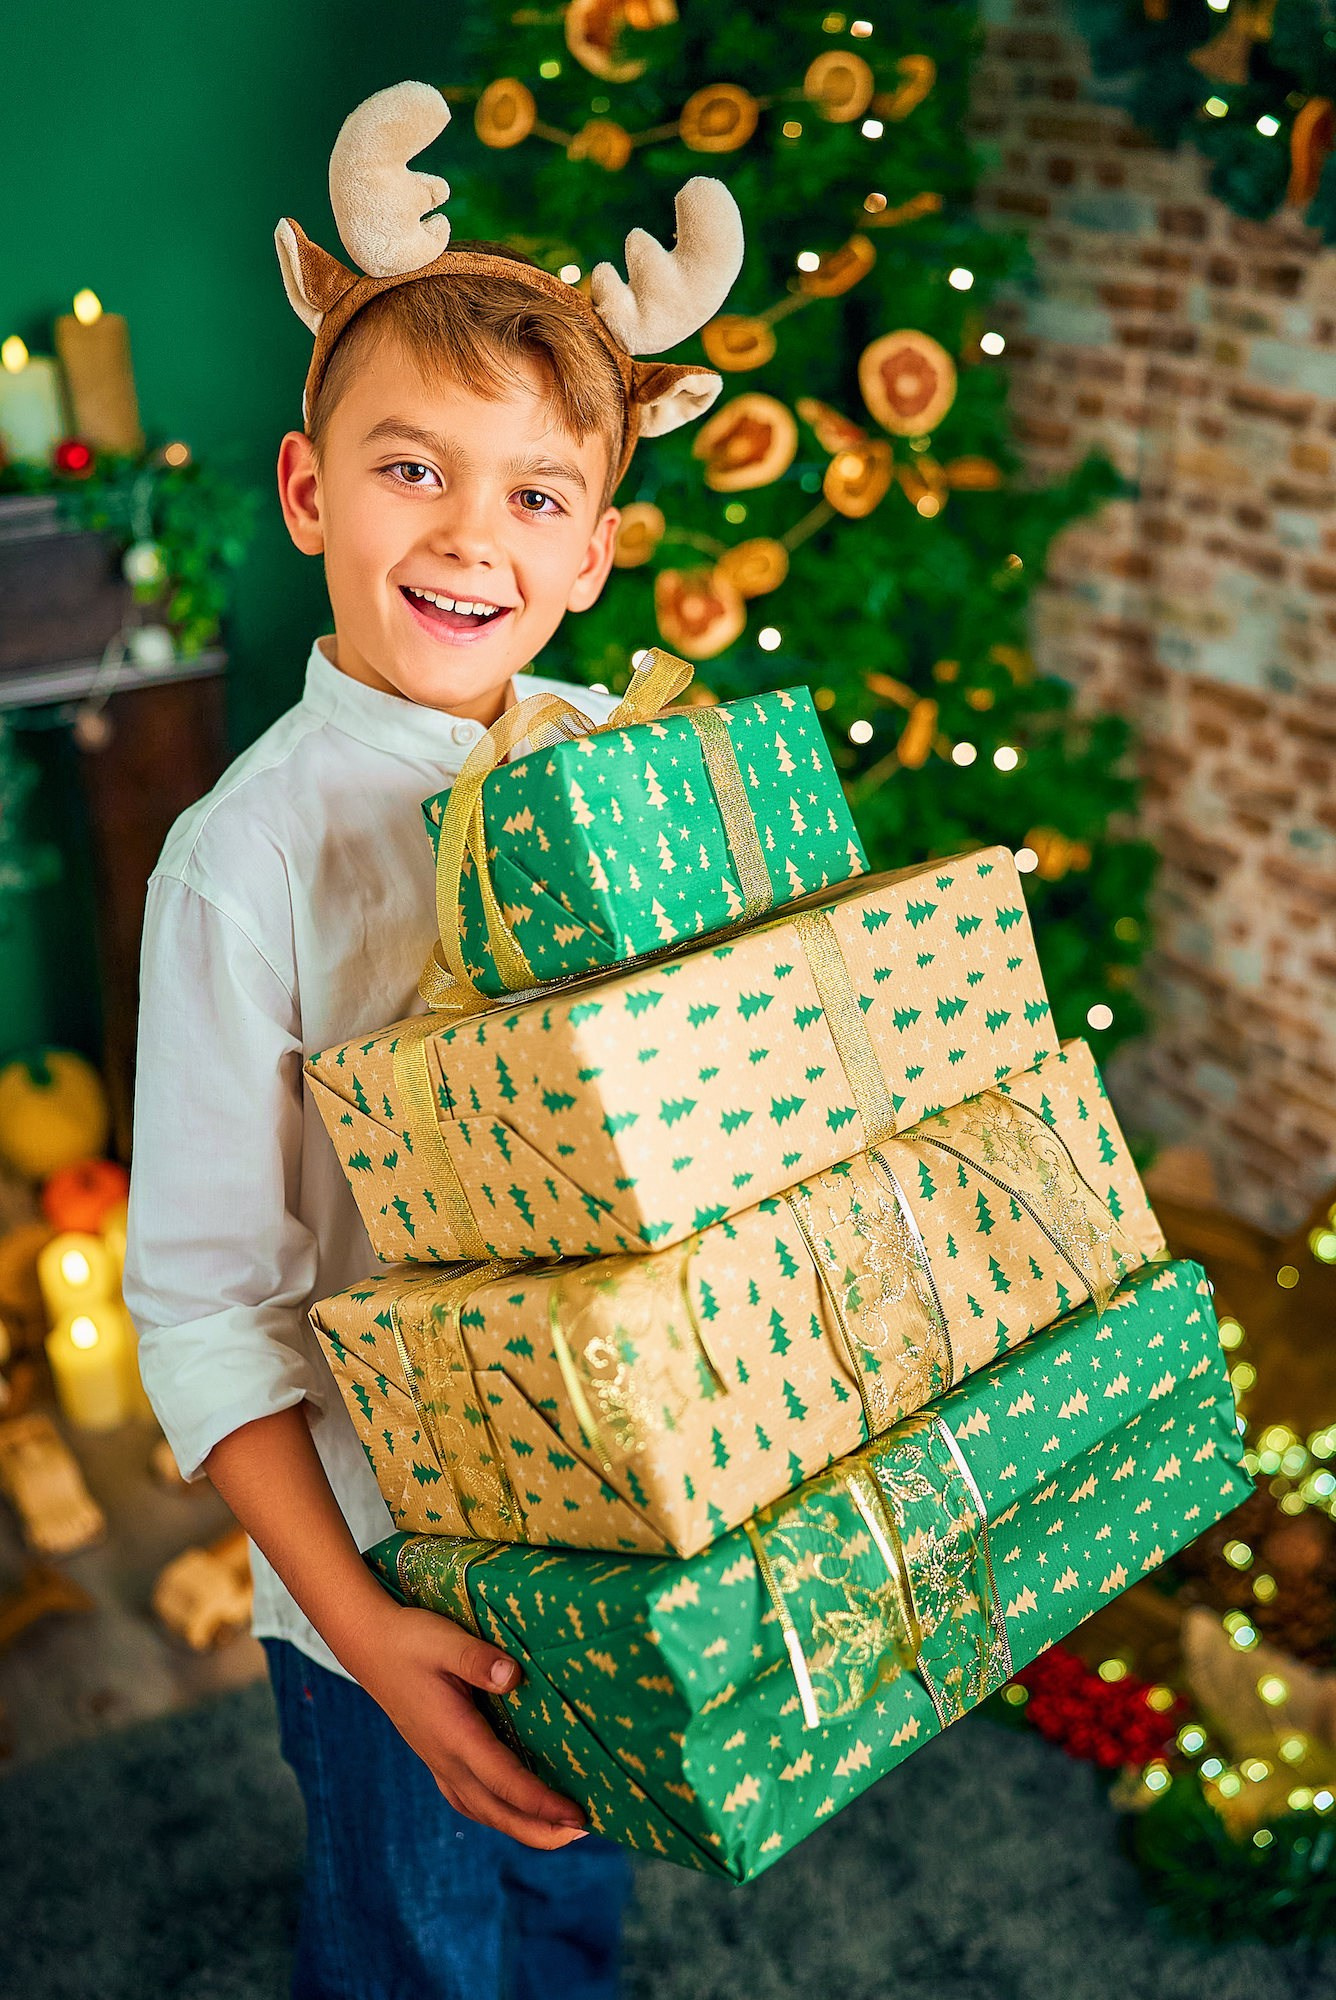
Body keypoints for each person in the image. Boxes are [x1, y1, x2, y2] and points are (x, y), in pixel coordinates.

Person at [121, 80, 743, 2000]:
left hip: (618, 1508)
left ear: (591, 557)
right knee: (418, 1945)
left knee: (572, 1882)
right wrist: (363, 1630)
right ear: (311, 491)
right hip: (392, 1568)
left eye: (534, 496)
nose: (471, 535)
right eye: (412, 470)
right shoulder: (244, 864)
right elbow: (207, 1304)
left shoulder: (637, 765)